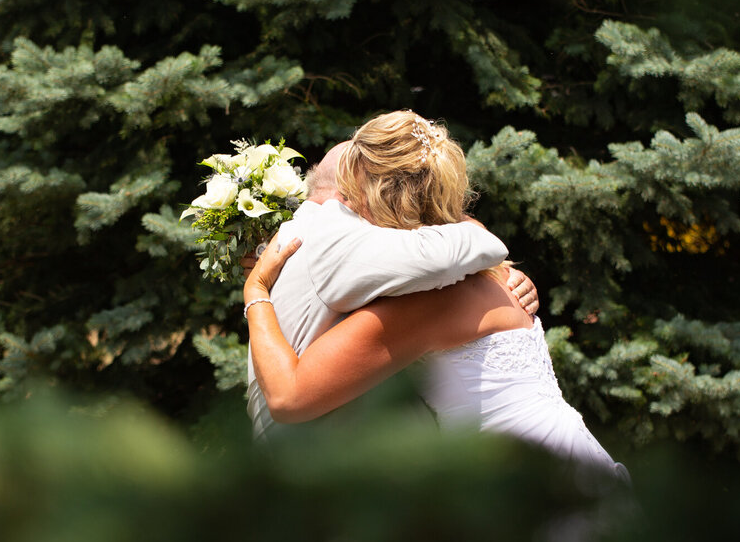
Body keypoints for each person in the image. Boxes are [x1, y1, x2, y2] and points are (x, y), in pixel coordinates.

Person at [245, 110, 626, 478]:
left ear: (373, 193)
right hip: (562, 447)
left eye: (348, 191)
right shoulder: (492, 273)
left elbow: (289, 397)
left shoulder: (427, 299)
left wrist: (256, 290)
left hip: (514, 473)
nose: (342, 204)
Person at [244, 134, 537, 441]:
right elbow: (477, 247)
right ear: (349, 191)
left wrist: (255, 290)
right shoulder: (342, 238)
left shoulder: (294, 235)